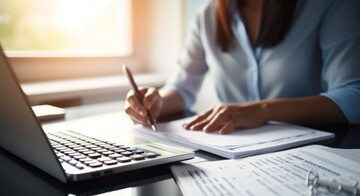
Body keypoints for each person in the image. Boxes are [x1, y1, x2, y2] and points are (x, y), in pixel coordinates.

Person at [125, 0, 360, 134]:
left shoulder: (331, 5)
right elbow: (182, 87)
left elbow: (353, 97)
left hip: (314, 156)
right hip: (231, 158)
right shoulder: (207, 16)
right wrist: (156, 101)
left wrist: (263, 110)